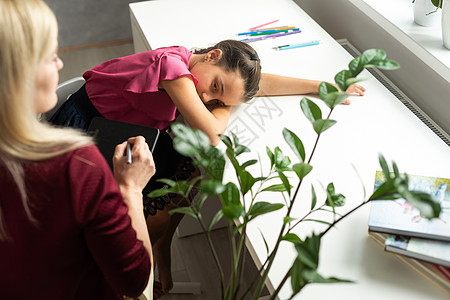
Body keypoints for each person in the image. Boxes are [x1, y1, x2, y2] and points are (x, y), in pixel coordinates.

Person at [49, 39, 365, 297]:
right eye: (214, 85)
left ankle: (161, 246)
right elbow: (212, 134)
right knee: (194, 160)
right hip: (88, 133)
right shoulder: (173, 67)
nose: (206, 96)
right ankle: (137, 262)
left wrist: (321, 86)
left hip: (130, 131)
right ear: (212, 55)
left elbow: (258, 84)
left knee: (193, 172)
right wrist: (225, 105)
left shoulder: (198, 63)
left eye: (215, 94)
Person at [0, 1, 155, 299]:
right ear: (18, 73)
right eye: (51, 56)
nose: (60, 64)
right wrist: (130, 189)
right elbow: (134, 280)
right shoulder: (74, 166)